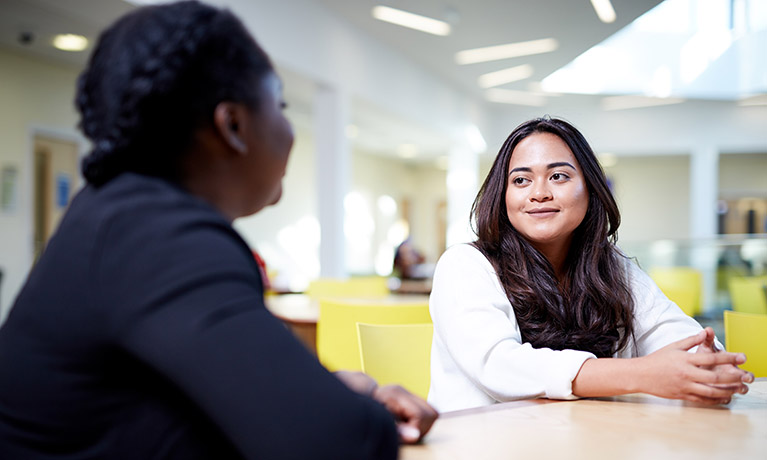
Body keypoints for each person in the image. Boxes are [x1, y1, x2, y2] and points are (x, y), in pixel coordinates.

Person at [0, 2, 436, 458]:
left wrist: (329, 389)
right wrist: (354, 403)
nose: (289, 131)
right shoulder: (162, 237)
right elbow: (340, 443)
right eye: (281, 106)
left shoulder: (113, 212)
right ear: (232, 125)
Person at [428, 116, 754, 412]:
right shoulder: (465, 265)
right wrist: (641, 374)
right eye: (521, 180)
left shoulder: (612, 266)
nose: (539, 193)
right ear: (502, 195)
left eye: (558, 176)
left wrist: (707, 366)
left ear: (590, 189)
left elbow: (670, 333)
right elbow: (499, 366)